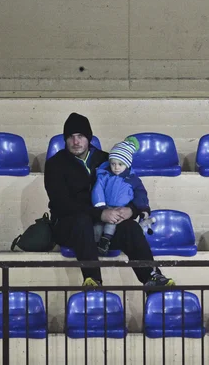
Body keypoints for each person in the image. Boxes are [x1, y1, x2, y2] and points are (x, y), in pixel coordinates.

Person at [44, 112, 174, 287]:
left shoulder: (107, 159)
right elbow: (61, 204)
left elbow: (132, 185)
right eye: (71, 137)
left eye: (81, 136)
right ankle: (93, 280)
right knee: (81, 221)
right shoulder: (55, 164)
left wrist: (131, 210)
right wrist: (100, 214)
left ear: (88, 138)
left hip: (104, 228)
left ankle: (152, 277)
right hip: (70, 227)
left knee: (131, 228)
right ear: (65, 140)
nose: (76, 142)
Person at [92, 136, 152, 256]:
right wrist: (100, 206)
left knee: (112, 223)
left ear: (127, 164)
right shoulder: (104, 175)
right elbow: (97, 190)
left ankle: (105, 240)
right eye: (113, 163)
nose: (116, 167)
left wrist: (142, 209)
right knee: (97, 226)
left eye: (120, 164)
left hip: (120, 210)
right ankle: (95, 243)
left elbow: (141, 195)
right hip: (105, 208)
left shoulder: (133, 179)